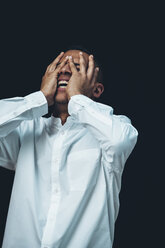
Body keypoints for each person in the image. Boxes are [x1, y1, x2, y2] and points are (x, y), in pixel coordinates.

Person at [0, 46, 138, 248]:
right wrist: (38, 98)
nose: (63, 70)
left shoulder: (112, 129)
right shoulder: (26, 131)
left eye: (76, 66)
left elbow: (119, 141)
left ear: (96, 89)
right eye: (58, 65)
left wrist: (78, 99)